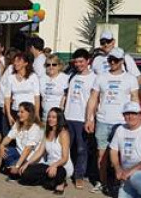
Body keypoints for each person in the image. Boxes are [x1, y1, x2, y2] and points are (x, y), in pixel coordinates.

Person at [85, 47, 140, 193]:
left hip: (122, 123)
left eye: (116, 60)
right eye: (110, 59)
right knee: (101, 155)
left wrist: (136, 120)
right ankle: (102, 183)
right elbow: (93, 98)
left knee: (122, 156)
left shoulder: (130, 78)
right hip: (103, 120)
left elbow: (135, 99)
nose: (113, 62)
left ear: (122, 61)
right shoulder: (101, 77)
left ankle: (118, 182)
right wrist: (89, 119)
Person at [62, 48, 97, 189]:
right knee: (66, 147)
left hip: (83, 118)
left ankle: (79, 176)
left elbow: (96, 100)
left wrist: (91, 119)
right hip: (68, 117)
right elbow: (65, 96)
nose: (78, 64)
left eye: (81, 61)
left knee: (82, 149)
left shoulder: (94, 78)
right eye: (76, 62)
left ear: (88, 61)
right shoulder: (71, 75)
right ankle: (63, 173)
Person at [18, 107, 73, 194]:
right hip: (49, 165)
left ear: (59, 119)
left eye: (54, 117)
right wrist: (27, 163)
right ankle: (50, 181)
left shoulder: (64, 133)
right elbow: (40, 151)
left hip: (62, 166)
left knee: (58, 174)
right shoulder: (47, 132)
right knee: (25, 174)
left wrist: (55, 166)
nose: (50, 119)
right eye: (49, 117)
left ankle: (61, 182)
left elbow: (65, 158)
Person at [0, 102, 43, 179]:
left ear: (30, 113)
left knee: (18, 170)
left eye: (22, 112)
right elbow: (8, 137)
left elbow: (27, 149)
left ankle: (15, 168)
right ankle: (13, 168)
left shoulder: (35, 128)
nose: (19, 114)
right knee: (7, 151)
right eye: (18, 111)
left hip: (30, 157)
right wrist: (1, 146)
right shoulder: (18, 123)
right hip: (19, 152)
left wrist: (17, 165)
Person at [3, 52, 41, 124]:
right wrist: (9, 114)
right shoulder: (10, 78)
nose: (15, 63)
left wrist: (36, 113)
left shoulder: (33, 76)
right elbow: (7, 97)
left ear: (25, 63)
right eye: (14, 61)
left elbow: (37, 97)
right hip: (16, 111)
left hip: (30, 112)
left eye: (18, 61)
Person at [39, 54, 68, 120]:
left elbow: (66, 95)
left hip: (59, 115)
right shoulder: (42, 78)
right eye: (48, 65)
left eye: (54, 64)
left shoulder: (65, 78)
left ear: (59, 66)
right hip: (45, 115)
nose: (51, 67)